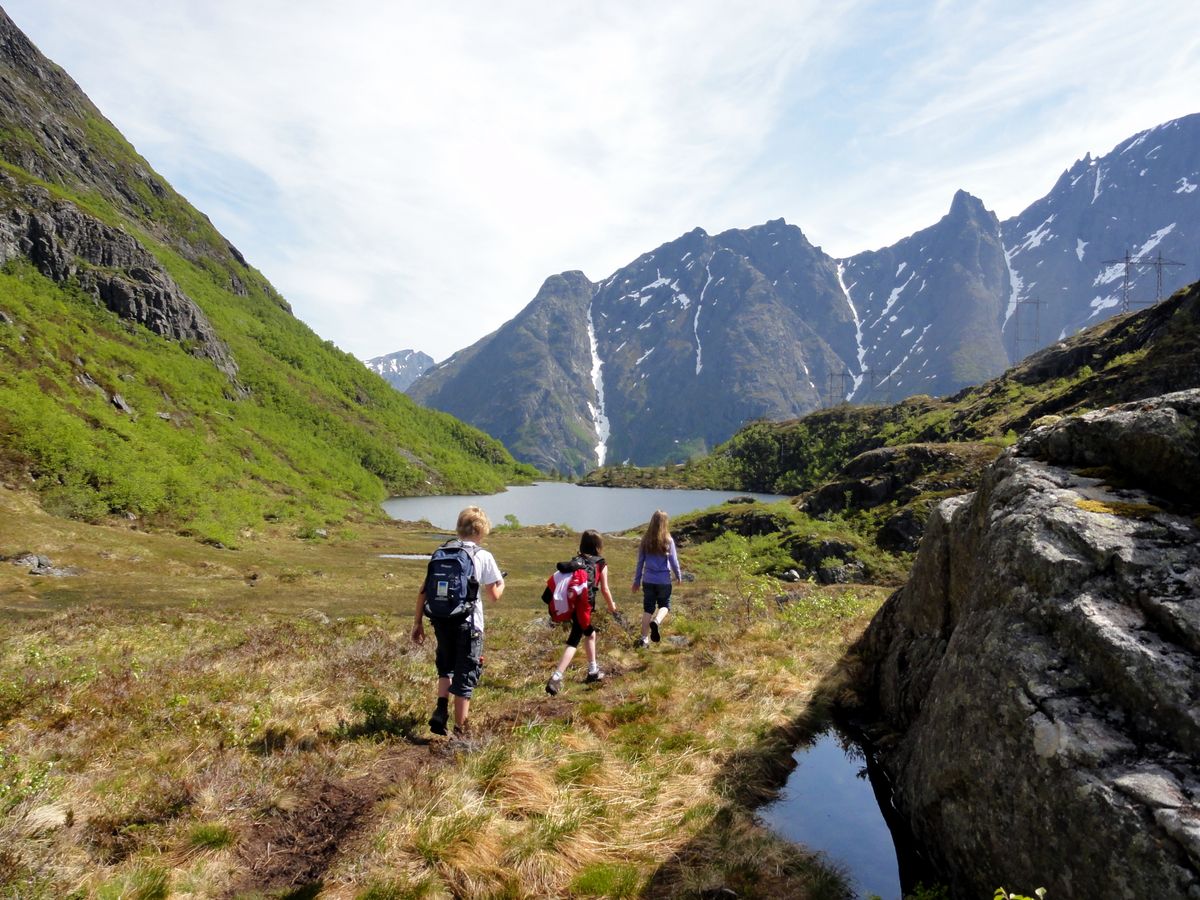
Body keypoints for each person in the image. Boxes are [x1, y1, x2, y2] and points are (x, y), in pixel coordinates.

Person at [411, 506, 504, 738]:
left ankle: (441, 710)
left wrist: (417, 623)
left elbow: (423, 591)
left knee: (446, 667)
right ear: (481, 531)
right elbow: (494, 596)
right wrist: (501, 583)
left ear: (459, 528)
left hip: (441, 620)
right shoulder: (483, 556)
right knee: (465, 675)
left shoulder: (441, 552)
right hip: (469, 625)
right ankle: (462, 732)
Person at [546, 530, 618, 695]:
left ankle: (593, 671)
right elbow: (605, 589)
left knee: (589, 634)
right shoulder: (601, 563)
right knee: (575, 640)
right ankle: (556, 677)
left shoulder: (576, 561)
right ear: (598, 546)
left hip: (573, 603)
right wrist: (611, 605)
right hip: (584, 606)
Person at [632, 509, 681, 648]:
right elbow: (674, 562)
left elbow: (640, 562)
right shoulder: (668, 540)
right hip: (664, 580)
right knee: (665, 605)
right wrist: (678, 576)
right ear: (665, 523)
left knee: (648, 608)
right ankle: (657, 621)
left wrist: (636, 581)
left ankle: (644, 639)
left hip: (648, 580)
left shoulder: (645, 540)